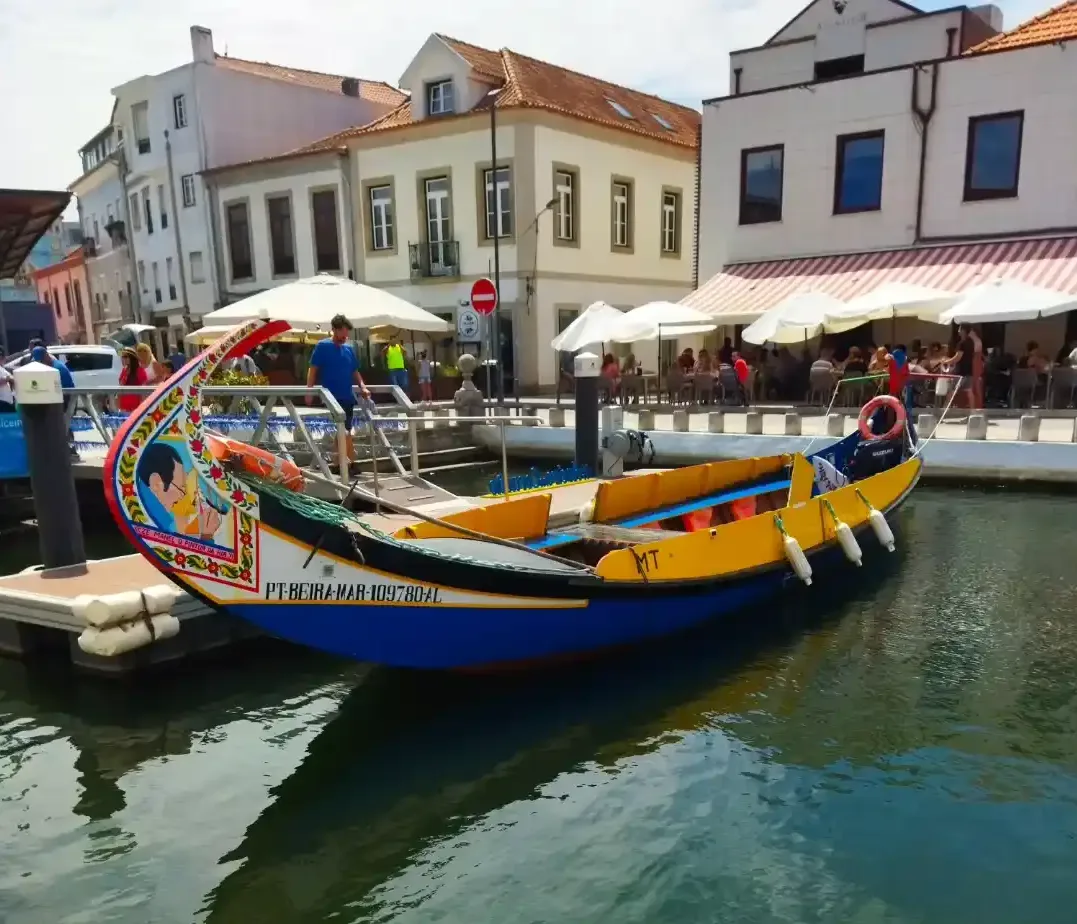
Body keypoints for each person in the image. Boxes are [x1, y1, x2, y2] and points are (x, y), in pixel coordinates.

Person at [306, 314, 370, 461]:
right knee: (344, 431)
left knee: (343, 431)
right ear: (334, 330)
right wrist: (309, 391)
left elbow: (355, 371)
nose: (345, 336)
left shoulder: (348, 349)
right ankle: (350, 463)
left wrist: (363, 386)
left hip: (347, 396)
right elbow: (313, 369)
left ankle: (339, 464)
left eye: (346, 333)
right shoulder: (323, 346)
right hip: (331, 397)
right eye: (342, 333)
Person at [942, 324, 977, 408]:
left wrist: (946, 361)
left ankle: (943, 410)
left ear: (963, 331)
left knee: (951, 391)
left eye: (960, 329)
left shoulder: (962, 343)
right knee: (969, 392)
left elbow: (958, 357)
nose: (958, 331)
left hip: (960, 372)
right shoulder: (971, 343)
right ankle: (973, 412)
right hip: (969, 371)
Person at [117, 348, 147, 414]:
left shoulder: (139, 370)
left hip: (136, 406)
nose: (123, 359)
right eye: (122, 357)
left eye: (125, 357)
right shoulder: (124, 370)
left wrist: (143, 405)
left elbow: (144, 388)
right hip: (124, 405)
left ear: (132, 358)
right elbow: (120, 387)